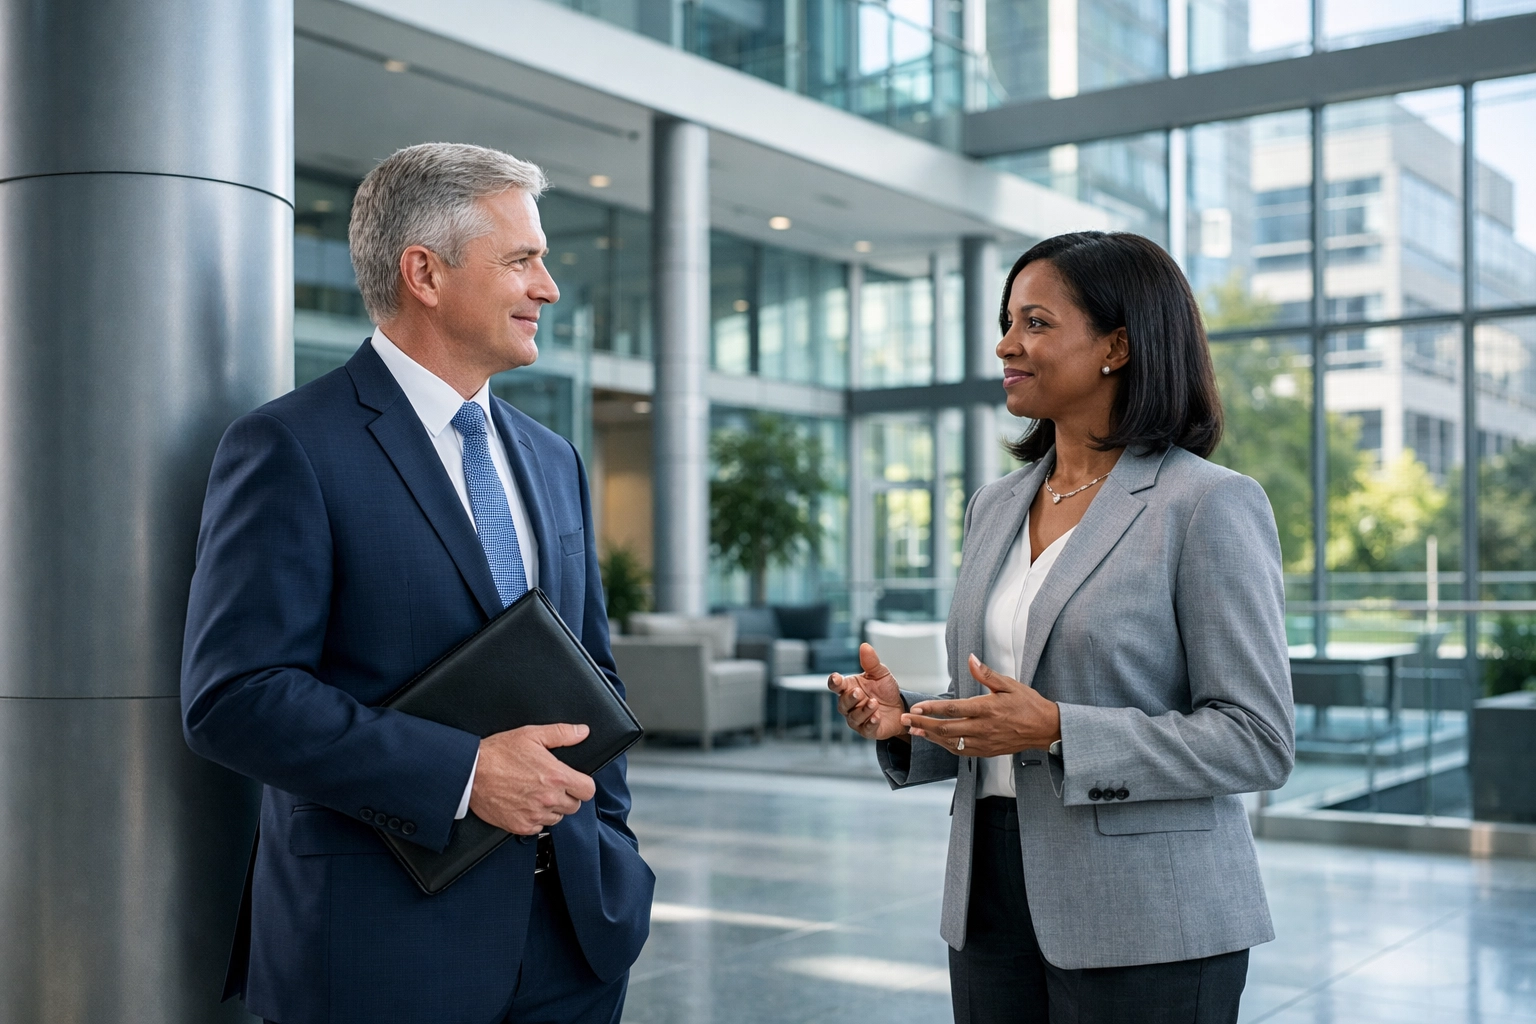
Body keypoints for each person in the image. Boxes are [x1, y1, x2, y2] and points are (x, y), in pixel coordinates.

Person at [181, 143, 653, 1024]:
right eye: (522, 260)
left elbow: (594, 671)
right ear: (425, 273)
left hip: (577, 937)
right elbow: (235, 698)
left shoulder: (552, 459)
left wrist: (615, 848)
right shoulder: (290, 447)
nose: (547, 287)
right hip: (383, 949)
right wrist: (465, 774)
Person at [829, 231, 1294, 1024]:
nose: (1007, 344)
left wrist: (1057, 733)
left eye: (1036, 323)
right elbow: (998, 708)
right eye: (1009, 320)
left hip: (1151, 919)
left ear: (1117, 345)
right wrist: (908, 719)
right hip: (988, 901)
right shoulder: (996, 505)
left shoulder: (1207, 504)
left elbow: (1256, 738)